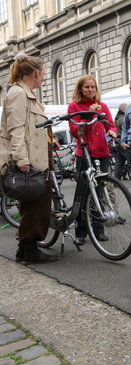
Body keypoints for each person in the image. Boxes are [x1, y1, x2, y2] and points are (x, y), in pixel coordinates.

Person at [0, 54, 58, 263]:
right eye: (42, 74)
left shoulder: (26, 94)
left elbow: (33, 127)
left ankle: (25, 250)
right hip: (30, 160)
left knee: (36, 206)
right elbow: (15, 129)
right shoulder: (18, 94)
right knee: (35, 207)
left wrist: (50, 140)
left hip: (38, 157)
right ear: (35, 73)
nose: (43, 78)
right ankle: (29, 250)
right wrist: (21, 159)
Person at [68, 75, 117, 245]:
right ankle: (81, 231)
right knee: (83, 192)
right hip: (85, 153)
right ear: (80, 89)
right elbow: (75, 130)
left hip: (102, 153)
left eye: (93, 87)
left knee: (100, 191)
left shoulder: (102, 105)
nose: (90, 90)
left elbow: (110, 123)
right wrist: (90, 115)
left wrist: (112, 131)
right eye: (87, 87)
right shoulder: (74, 106)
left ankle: (98, 229)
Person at [113, 103, 127, 180]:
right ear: (123, 109)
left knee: (120, 162)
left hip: (118, 141)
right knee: (129, 159)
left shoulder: (117, 118)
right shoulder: (123, 119)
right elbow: (126, 129)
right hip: (122, 141)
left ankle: (116, 178)